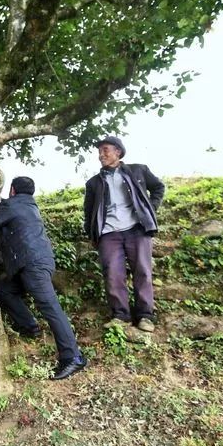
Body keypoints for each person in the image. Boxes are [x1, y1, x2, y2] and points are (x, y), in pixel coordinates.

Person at [0, 177, 87, 381]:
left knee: (50, 307)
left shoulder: (13, 205)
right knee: (5, 290)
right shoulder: (30, 206)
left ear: (12, 190)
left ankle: (73, 357)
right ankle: (30, 327)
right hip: (33, 263)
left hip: (32, 265)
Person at [83, 136, 165, 333]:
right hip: (109, 233)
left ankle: (145, 316)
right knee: (113, 274)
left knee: (142, 271)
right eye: (100, 151)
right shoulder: (94, 183)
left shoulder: (138, 170)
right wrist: (94, 234)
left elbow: (158, 188)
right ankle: (121, 315)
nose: (101, 155)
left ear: (118, 152)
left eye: (105, 150)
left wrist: (149, 210)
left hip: (136, 229)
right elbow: (88, 212)